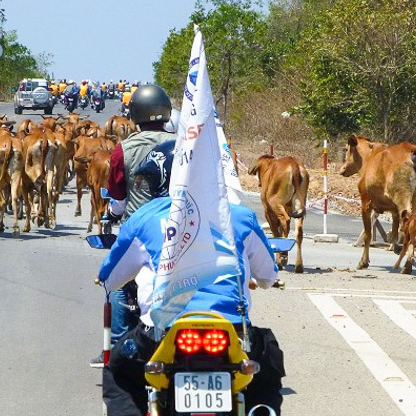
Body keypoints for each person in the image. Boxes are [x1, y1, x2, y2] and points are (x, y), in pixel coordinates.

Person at [98, 140, 285, 416]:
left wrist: (108, 279)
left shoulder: (145, 217)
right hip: (232, 331)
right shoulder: (241, 216)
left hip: (161, 332)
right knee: (268, 361)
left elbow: (109, 279)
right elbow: (268, 276)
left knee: (118, 372)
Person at [89, 84, 174, 369]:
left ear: (134, 114)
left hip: (137, 228)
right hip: (180, 227)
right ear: (166, 113)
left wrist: (113, 213)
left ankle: (115, 346)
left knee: (117, 284)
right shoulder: (183, 143)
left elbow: (118, 197)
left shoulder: (123, 149)